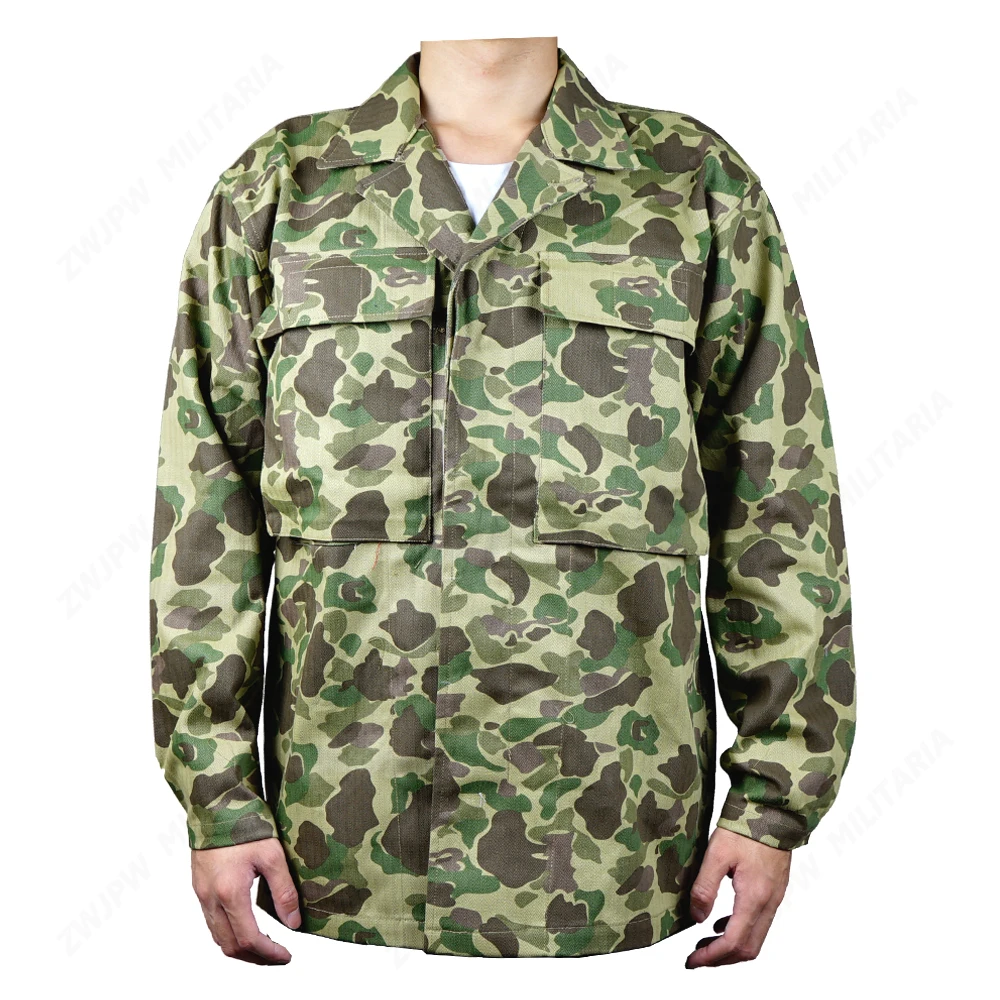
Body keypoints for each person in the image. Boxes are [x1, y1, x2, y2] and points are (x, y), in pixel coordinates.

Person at [149, 36, 856, 965]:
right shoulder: (282, 188)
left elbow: (779, 505)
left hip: (617, 862)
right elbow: (207, 512)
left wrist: (773, 802)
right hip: (338, 864)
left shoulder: (691, 185)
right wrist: (217, 794)